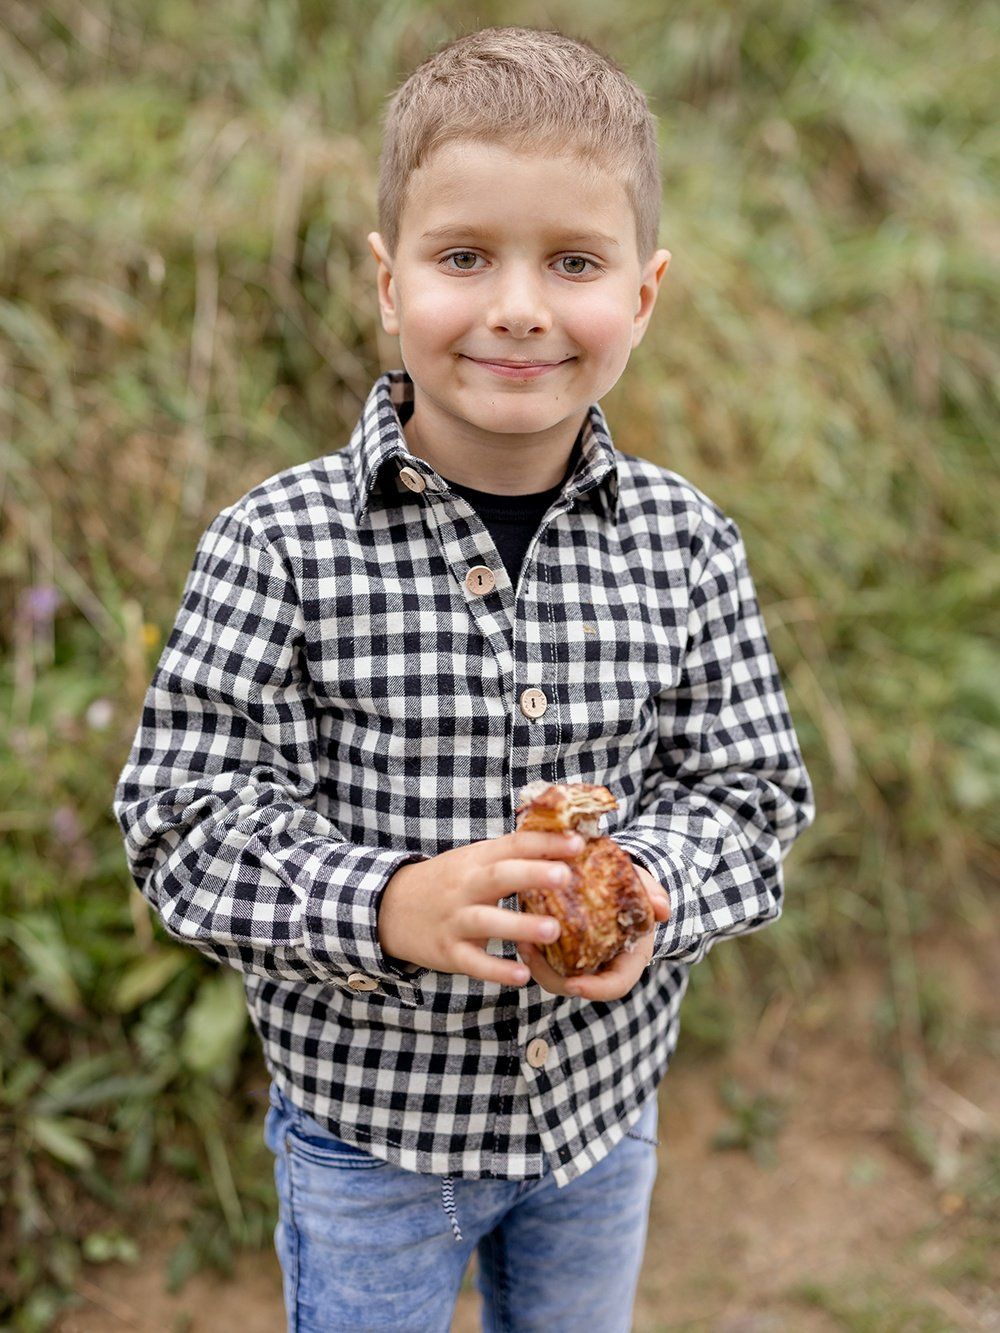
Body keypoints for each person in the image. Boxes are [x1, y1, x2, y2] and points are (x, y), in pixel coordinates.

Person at [114, 25, 815, 1333]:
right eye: (463, 257)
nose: (519, 307)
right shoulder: (278, 544)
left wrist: (650, 888)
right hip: (369, 1140)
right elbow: (181, 818)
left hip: (599, 1120)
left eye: (575, 262)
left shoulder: (686, 543)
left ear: (644, 294)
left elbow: (752, 792)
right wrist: (387, 901)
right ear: (389, 283)